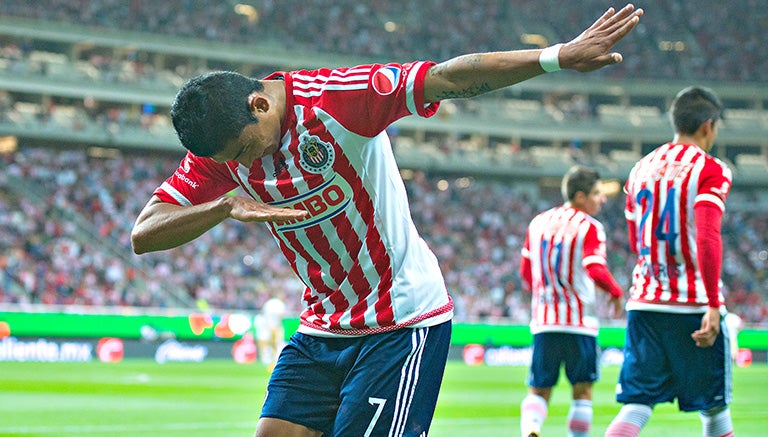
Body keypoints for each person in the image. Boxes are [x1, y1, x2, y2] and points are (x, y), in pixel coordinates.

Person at [130, 5, 643, 436]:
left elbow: (447, 76)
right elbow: (144, 233)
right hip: (323, 326)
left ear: (259, 103)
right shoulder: (220, 152)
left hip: (400, 321)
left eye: (245, 149)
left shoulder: (339, 100)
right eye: (230, 161)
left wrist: (555, 58)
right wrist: (220, 206)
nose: (241, 166)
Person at [605, 86, 735, 437]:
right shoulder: (711, 170)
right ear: (708, 126)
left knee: (636, 406)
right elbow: (708, 237)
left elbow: (635, 241)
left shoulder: (639, 169)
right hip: (691, 303)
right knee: (714, 409)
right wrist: (712, 302)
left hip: (645, 300)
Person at [519, 166, 623, 437]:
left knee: (539, 388)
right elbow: (595, 269)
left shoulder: (538, 222)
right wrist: (615, 292)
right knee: (582, 390)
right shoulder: (590, 227)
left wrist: (543, 295)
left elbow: (525, 272)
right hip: (579, 323)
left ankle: (531, 428)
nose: (601, 199)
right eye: (597, 194)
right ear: (580, 196)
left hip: (544, 321)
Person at [254, 294, 287, 372]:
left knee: (269, 344)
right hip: (275, 327)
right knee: (275, 344)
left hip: (268, 326)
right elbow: (281, 316)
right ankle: (273, 361)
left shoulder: (269, 303)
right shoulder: (279, 304)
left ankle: (269, 361)